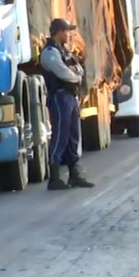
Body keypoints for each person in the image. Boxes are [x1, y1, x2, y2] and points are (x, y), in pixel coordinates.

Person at [40, 18, 95, 190]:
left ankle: (74, 175)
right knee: (60, 135)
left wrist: (75, 73)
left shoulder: (63, 51)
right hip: (60, 97)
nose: (68, 34)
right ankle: (54, 177)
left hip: (70, 96)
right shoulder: (50, 52)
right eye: (66, 31)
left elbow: (78, 69)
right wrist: (75, 75)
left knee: (73, 136)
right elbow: (64, 73)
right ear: (58, 32)